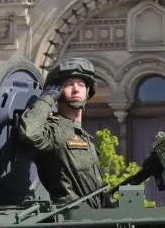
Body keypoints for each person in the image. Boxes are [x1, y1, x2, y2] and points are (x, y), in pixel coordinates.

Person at [15, 58, 110, 208]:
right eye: (69, 84)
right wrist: (46, 99)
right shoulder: (54, 129)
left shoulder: (85, 137)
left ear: (88, 91)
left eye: (81, 84)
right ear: (57, 90)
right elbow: (30, 132)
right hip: (70, 217)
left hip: (93, 218)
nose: (76, 89)